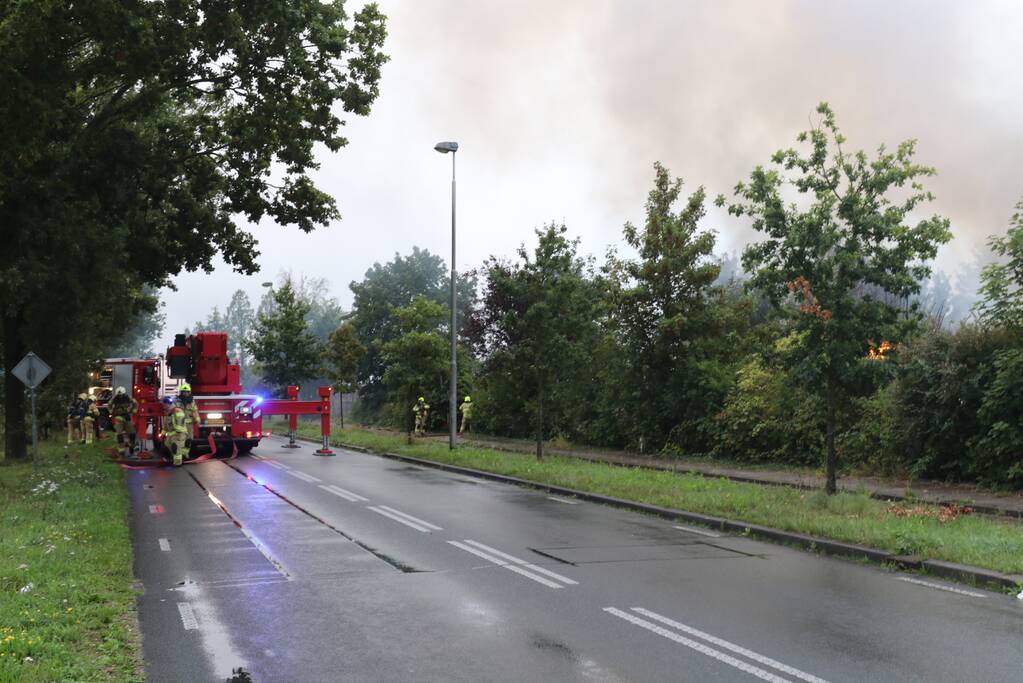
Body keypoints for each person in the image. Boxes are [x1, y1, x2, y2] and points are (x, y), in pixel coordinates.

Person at [109, 386, 139, 452]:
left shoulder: (128, 398)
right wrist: (111, 411)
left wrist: (134, 410)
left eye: (121, 395)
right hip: (118, 417)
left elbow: (136, 403)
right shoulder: (114, 399)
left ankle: (132, 445)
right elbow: (109, 404)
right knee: (119, 434)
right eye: (119, 395)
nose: (120, 396)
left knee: (132, 433)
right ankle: (121, 449)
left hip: (127, 417)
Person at [164, 402, 189, 467]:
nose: (164, 406)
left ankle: (178, 463)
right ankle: (185, 451)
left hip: (180, 433)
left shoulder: (178, 411)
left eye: (166, 405)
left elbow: (179, 424)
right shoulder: (168, 413)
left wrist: (177, 431)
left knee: (175, 447)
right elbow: (166, 425)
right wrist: (163, 433)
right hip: (172, 434)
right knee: (167, 444)